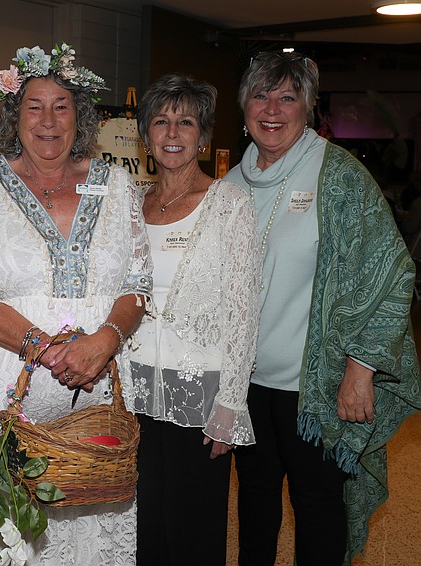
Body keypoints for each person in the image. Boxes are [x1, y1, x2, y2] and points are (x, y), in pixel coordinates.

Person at [0, 43, 152, 563]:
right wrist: (47, 349)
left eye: (62, 105)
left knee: (91, 515)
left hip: (97, 388)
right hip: (7, 386)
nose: (48, 120)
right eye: (34, 106)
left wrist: (104, 341)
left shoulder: (120, 185)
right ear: (14, 115)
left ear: (80, 116)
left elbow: (138, 284)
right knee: (8, 531)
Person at [225, 51, 421, 565]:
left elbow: (393, 271)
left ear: (307, 108)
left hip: (314, 391)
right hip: (245, 385)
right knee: (255, 503)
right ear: (244, 105)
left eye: (287, 97)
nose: (272, 108)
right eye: (261, 95)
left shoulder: (338, 177)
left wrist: (361, 368)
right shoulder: (228, 185)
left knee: (316, 508)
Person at [132, 74, 261, 565]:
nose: (172, 133)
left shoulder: (230, 205)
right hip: (137, 389)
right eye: (161, 122)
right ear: (145, 136)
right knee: (141, 525)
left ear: (204, 137)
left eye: (185, 122)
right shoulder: (131, 205)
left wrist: (230, 403)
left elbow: (243, 312)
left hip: (200, 395)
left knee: (193, 529)